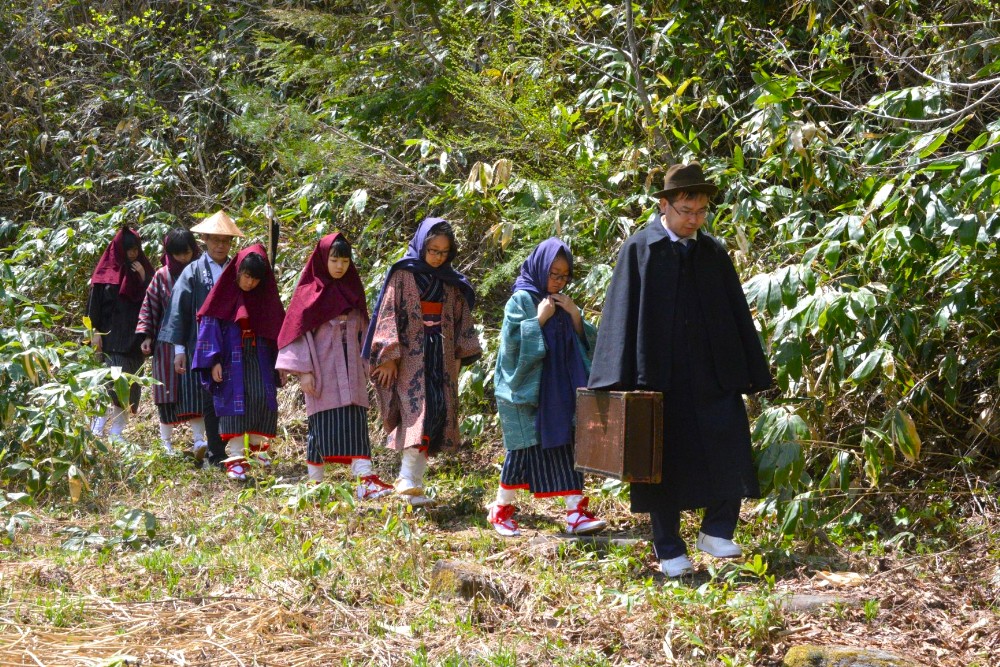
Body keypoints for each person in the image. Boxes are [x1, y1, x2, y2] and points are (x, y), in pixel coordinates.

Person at [588, 163, 772, 577]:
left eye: (701, 211)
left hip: (711, 375)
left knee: (730, 445)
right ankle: (669, 549)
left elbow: (735, 314)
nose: (694, 219)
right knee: (659, 463)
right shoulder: (640, 248)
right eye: (686, 210)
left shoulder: (712, 252)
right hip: (658, 377)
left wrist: (747, 368)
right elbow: (621, 313)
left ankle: (717, 529)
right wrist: (613, 381)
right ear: (664, 205)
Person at [487, 238, 608, 536]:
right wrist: (539, 319)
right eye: (553, 273)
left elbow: (585, 345)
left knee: (567, 447)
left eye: (564, 275)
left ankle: (575, 513)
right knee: (522, 451)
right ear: (540, 268)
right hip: (529, 393)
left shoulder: (564, 303)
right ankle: (500, 509)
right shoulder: (521, 300)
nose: (558, 280)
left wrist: (576, 317)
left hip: (560, 393)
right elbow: (511, 347)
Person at [363, 218, 482, 506]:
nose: (439, 257)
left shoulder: (450, 282)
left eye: (444, 252)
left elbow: (459, 320)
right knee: (414, 412)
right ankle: (406, 479)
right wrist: (389, 357)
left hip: (440, 355)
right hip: (408, 357)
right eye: (433, 250)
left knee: (435, 415)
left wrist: (457, 359)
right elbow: (388, 313)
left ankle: (414, 485)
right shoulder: (403, 274)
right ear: (421, 245)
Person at [276, 233, 393, 498]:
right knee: (320, 426)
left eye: (345, 260)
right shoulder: (309, 293)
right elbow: (297, 334)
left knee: (355, 423)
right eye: (334, 259)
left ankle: (365, 479)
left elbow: (366, 329)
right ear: (322, 259)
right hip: (322, 370)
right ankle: (315, 484)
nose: (340, 266)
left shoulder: (353, 289)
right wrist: (303, 372)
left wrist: (373, 362)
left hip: (352, 368)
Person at [158, 211, 244, 467]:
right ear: (204, 240)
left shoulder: (238, 269)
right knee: (209, 398)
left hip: (234, 345)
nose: (220, 245)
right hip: (202, 344)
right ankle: (215, 453)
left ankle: (236, 451)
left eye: (226, 240)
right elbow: (179, 311)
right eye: (215, 240)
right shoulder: (193, 272)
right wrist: (179, 349)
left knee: (235, 396)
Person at [192, 245, 285, 481]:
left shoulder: (266, 297)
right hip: (230, 359)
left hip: (260, 356)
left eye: (255, 278)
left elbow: (277, 330)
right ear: (237, 271)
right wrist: (212, 361)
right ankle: (235, 459)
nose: (250, 282)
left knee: (261, 399)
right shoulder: (222, 294)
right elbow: (209, 326)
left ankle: (258, 451)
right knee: (234, 405)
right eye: (246, 275)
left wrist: (281, 363)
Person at [135, 229, 206, 454]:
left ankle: (198, 441)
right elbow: (150, 306)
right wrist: (147, 336)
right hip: (166, 344)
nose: (184, 259)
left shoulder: (202, 272)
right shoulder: (161, 276)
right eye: (178, 255)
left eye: (186, 253)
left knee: (195, 391)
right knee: (166, 393)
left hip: (196, 340)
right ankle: (166, 443)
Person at [87, 225, 154, 441]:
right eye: (129, 250)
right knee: (111, 387)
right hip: (111, 340)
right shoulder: (104, 274)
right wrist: (93, 332)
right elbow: (93, 307)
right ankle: (97, 429)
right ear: (119, 249)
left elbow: (154, 301)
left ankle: (117, 433)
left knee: (131, 388)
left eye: (136, 249)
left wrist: (144, 277)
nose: (133, 254)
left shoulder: (143, 269)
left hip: (135, 341)